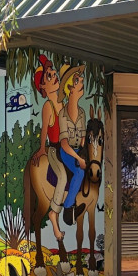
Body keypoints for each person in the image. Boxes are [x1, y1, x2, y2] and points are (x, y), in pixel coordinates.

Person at [30, 54, 66, 241]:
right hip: (54, 149)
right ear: (43, 87)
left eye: (54, 73)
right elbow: (45, 129)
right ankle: (54, 215)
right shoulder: (48, 106)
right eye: (49, 76)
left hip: (69, 148)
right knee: (63, 175)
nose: (54, 76)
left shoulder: (65, 104)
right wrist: (42, 148)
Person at [53, 64, 88, 223]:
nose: (82, 83)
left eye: (81, 80)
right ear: (70, 89)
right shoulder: (63, 114)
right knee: (79, 171)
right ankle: (68, 209)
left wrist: (82, 150)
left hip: (76, 149)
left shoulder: (82, 113)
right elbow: (65, 144)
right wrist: (79, 159)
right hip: (66, 152)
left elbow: (82, 136)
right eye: (78, 81)